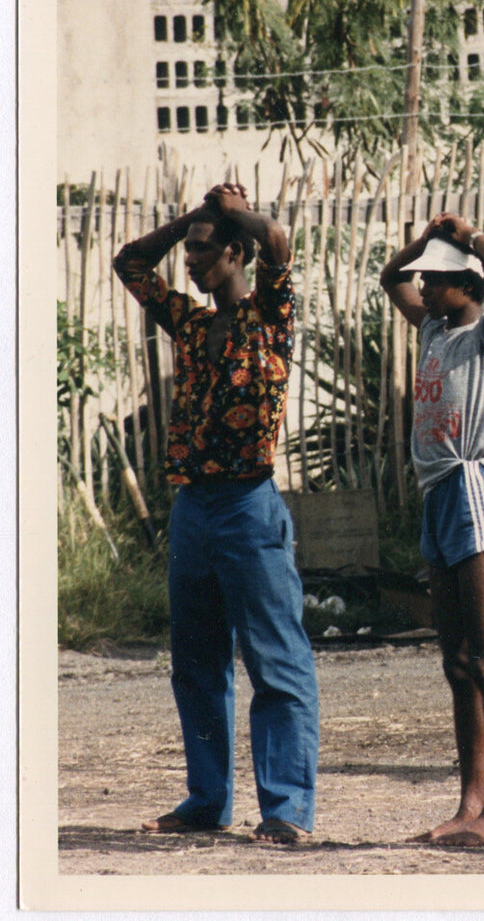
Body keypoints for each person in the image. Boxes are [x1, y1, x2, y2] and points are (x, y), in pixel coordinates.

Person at [113, 182, 319, 843]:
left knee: (275, 662)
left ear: (236, 253)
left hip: (249, 505)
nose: (193, 265)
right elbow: (130, 264)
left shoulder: (271, 317)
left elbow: (279, 243)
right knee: (197, 664)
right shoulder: (192, 323)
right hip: (194, 508)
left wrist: (232, 213)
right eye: (191, 254)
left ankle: (285, 808)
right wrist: (188, 223)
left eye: (204, 253)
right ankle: (208, 800)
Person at [379, 212, 484, 848]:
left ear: (468, 282)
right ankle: (469, 804)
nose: (426, 288)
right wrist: (423, 243)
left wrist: (468, 240)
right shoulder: (434, 332)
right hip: (439, 496)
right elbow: (390, 277)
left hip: (475, 489)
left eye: (438, 279)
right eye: (427, 280)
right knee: (457, 663)